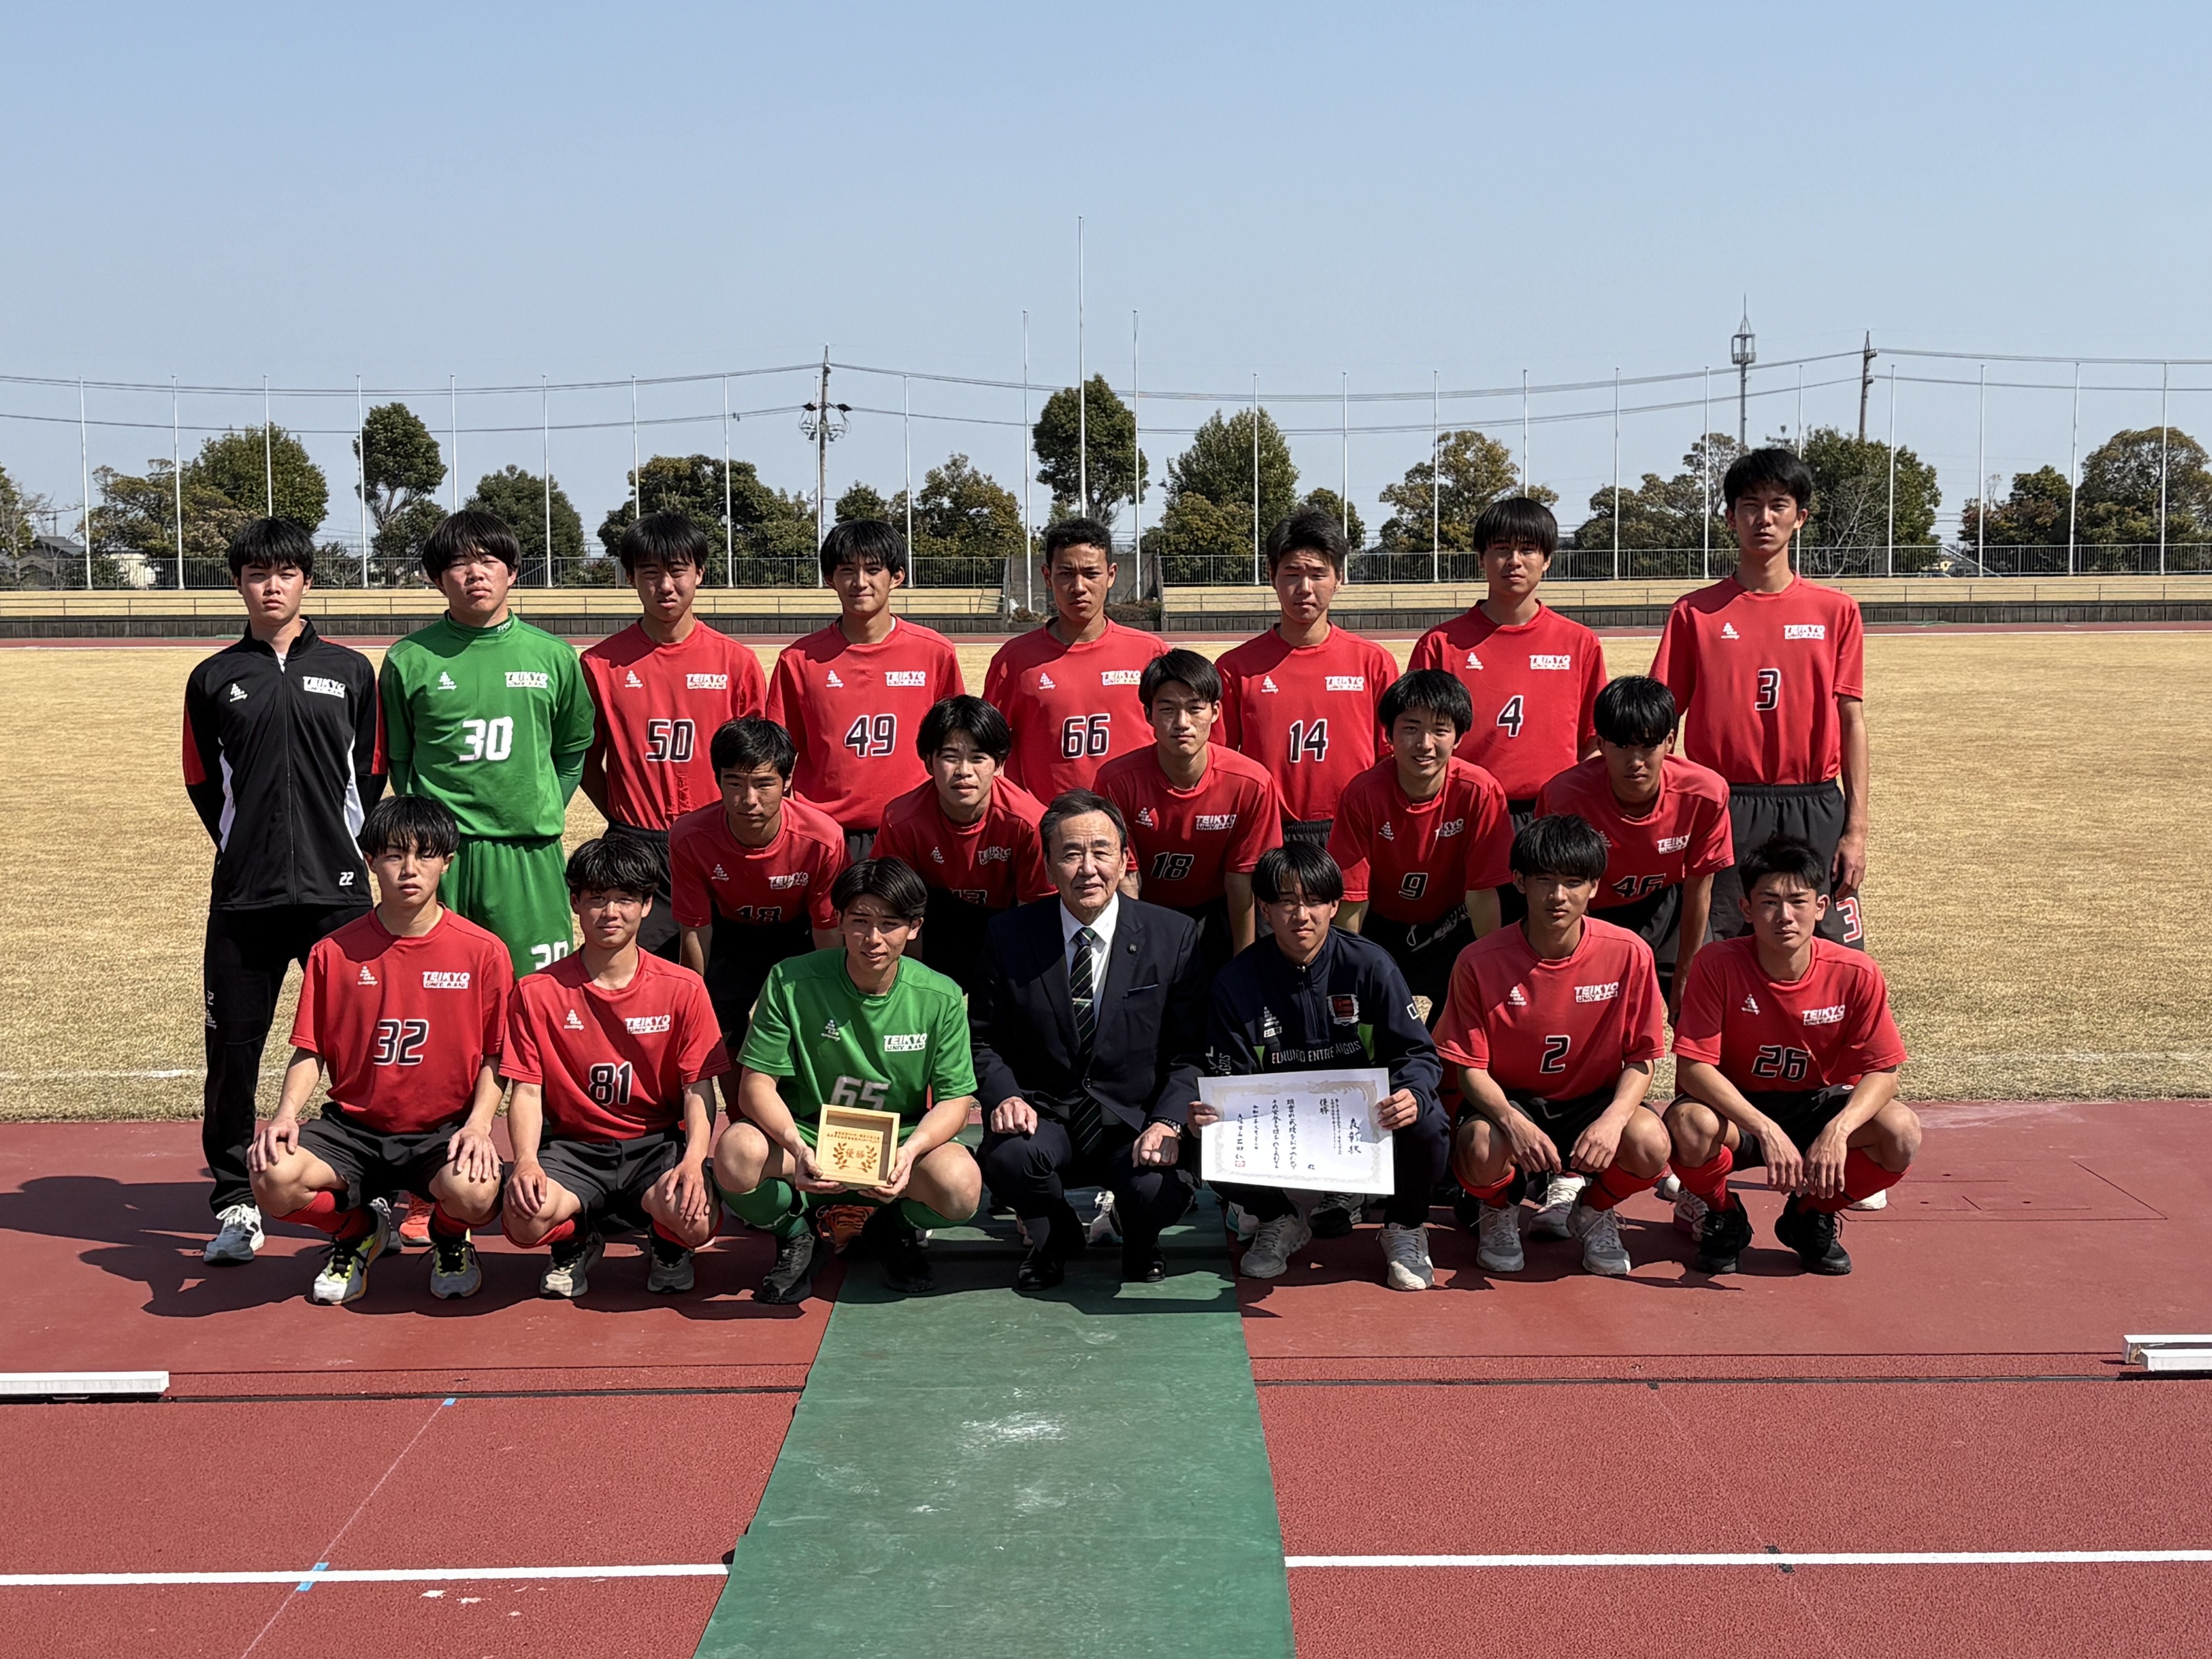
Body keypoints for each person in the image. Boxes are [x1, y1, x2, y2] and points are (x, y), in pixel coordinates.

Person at [185, 518, 383, 1267]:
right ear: (238, 583)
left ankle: (371, 1184)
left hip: (338, 892)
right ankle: (236, 1198)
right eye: (257, 574)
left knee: (361, 1046)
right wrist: (247, 846)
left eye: (286, 572)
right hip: (246, 895)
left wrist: (337, 846)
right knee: (233, 1051)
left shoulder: (352, 670)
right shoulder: (213, 678)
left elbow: (370, 772)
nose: (272, 586)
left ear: (307, 579)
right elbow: (203, 780)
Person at [246, 796, 511, 1304]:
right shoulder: (332, 952)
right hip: (355, 1129)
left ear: (447, 861)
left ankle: (449, 1238)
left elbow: (496, 1056)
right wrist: (284, 1116)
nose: (410, 869)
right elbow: (310, 1050)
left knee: (477, 1191)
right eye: (393, 855)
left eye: (425, 854)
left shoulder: (483, 952)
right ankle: (358, 1231)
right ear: (370, 861)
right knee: (271, 1175)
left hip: (441, 1132)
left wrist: (479, 1126)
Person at [713, 859, 984, 1304]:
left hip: (896, 1144)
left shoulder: (942, 996)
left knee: (962, 1185)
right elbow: (756, 1085)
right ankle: (796, 1233)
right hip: (810, 1138)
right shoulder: (791, 979)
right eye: (860, 921)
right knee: (735, 1151)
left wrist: (909, 1152)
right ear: (838, 921)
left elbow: (956, 1100)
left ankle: (890, 1229)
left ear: (915, 928)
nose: (873, 938)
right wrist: (798, 1147)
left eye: (890, 924)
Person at [970, 790, 1208, 1289]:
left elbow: (1189, 1051)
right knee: (1009, 1159)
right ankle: (1054, 1236)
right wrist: (1006, 1096)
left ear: (1124, 859)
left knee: (1159, 1189)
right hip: (1046, 1116)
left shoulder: (1174, 936)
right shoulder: (1008, 936)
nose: (1088, 869)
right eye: (1072, 854)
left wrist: (1167, 1121)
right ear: (1048, 864)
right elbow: (983, 1040)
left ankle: (1140, 1237)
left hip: (1134, 1120)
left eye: (1101, 852)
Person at [1194, 844, 1448, 1291]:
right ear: (1264, 909)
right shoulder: (1236, 982)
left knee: (1427, 1120)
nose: (1301, 916)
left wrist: (1411, 1092)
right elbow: (1227, 1081)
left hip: (1367, 1122)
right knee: (1205, 1138)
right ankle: (1278, 1218)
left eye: (1314, 901)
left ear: (1335, 905)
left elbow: (1418, 1054)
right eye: (1286, 902)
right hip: (1281, 1126)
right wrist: (1211, 1113)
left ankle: (1405, 1226)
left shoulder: (1370, 965)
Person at [1663, 836, 1917, 1276]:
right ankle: (1723, 1213)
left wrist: (1838, 1130)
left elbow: (1884, 1071)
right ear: (1746, 909)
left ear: (1821, 907)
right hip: (1739, 1110)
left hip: (1815, 1105)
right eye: (1769, 902)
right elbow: (1694, 1068)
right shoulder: (1716, 963)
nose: (1784, 916)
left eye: (1798, 901)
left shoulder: (1856, 972)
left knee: (1901, 1132)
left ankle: (1810, 1215)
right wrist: (1765, 1129)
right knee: (1688, 1124)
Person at [1650, 447, 1870, 949]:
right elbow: (1662, 723)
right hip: (1724, 800)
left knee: (1826, 948)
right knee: (1717, 946)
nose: (1763, 519)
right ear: (1730, 518)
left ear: (1800, 517)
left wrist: (1856, 829)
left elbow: (1852, 721)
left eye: (1778, 505)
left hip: (1814, 801)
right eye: (1750, 506)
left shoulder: (1836, 611)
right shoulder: (1694, 614)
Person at [1433, 814, 1670, 1278]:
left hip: (1593, 1102)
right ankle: (1498, 1210)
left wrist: (1612, 1121)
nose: (1558, 896)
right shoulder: (1479, 961)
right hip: (1512, 1103)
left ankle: (1594, 1209)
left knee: (1650, 1144)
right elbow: (1470, 1069)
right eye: (1544, 880)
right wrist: (1513, 1123)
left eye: (1573, 882)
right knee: (1479, 1148)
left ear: (1595, 887)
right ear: (1519, 881)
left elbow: (1643, 1059)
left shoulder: (1629, 953)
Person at [500, 836, 728, 1298]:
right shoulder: (536, 991)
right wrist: (525, 1162)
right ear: (575, 903)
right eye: (597, 898)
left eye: (625, 899)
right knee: (524, 1219)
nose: (610, 912)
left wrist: (692, 1161)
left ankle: (668, 1244)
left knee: (696, 1218)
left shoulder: (683, 987)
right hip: (575, 1148)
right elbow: (526, 1090)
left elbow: (698, 1089)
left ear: (647, 905)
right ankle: (577, 1239)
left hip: (655, 1144)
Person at [379, 508, 595, 980]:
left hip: (528, 853)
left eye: (489, 561)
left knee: (534, 990)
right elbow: (401, 758)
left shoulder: (554, 656)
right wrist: (429, 830)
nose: (475, 573)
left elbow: (571, 753)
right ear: (437, 578)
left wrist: (538, 804)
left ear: (512, 572)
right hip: (443, 855)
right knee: (439, 988)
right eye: (459, 563)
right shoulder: (408, 659)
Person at [579, 510, 767, 959]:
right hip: (636, 842)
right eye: (650, 572)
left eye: (678, 570)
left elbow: (761, 764)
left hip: (720, 841)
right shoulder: (599, 665)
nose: (665, 585)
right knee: (639, 972)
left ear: (700, 573)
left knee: (724, 975)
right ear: (630, 578)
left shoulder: (735, 663)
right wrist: (623, 818)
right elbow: (585, 761)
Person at [764, 518, 964, 864]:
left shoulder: (935, 653)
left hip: (915, 826)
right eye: (847, 570)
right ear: (830, 578)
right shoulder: (798, 661)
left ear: (897, 576)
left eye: (873, 570)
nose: (860, 582)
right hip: (827, 832)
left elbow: (956, 743)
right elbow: (778, 754)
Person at [1407, 496, 1605, 845]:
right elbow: (1414, 740)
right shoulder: (1440, 645)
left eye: (1528, 550)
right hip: (1465, 812)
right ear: (1481, 558)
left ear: (1547, 560)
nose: (1514, 561)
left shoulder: (1579, 643)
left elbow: (1593, 741)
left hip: (1554, 814)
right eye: (1501, 549)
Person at [1533, 675, 1733, 1012]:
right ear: (1601, 744)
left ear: (1670, 742)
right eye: (1623, 746)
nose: (1636, 761)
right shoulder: (1565, 797)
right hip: (1594, 911)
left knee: (1699, 1004)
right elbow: (1557, 886)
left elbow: (1700, 888)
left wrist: (1686, 975)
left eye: (1648, 746)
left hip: (1668, 907)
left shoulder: (1705, 794)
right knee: (1587, 1008)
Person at [1329, 670, 1513, 1024]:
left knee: (1465, 1015)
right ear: (1389, 735)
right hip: (1381, 926)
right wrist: (1348, 971)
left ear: (1459, 737)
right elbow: (1353, 900)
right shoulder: (1363, 794)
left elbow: (1482, 894)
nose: (1425, 744)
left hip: (1451, 924)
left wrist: (1490, 968)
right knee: (1370, 1017)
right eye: (1411, 728)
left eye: (1440, 730)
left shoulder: (1479, 791)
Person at [1213, 507, 1399, 847]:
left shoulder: (1373, 663)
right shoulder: (1235, 668)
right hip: (1269, 829)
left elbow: (1390, 757)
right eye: (1292, 574)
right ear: (1272, 575)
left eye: (1317, 574)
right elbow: (1219, 762)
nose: (1305, 588)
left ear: (1339, 578)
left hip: (1352, 826)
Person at [1097, 649, 1281, 979]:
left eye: (1195, 709)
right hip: (1148, 909)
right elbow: (1127, 880)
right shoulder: (1117, 781)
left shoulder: (1251, 783)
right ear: (1149, 715)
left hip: (1218, 909)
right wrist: (1133, 956)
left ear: (1215, 712)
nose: (1182, 723)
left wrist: (1244, 964)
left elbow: (1241, 882)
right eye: (1168, 709)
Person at [671, 717, 847, 1054]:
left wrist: (829, 996)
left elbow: (827, 930)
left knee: (810, 1030)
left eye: (764, 784)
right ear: (718, 779)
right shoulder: (690, 836)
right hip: (730, 937)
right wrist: (694, 1002)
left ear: (788, 780)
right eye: (735, 783)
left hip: (798, 937)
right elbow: (696, 929)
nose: (749, 799)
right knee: (715, 1034)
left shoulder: (823, 839)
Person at [871, 696, 1054, 996]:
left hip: (1005, 918)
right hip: (936, 919)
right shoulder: (901, 820)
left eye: (978, 758)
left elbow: (1034, 915)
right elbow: (899, 911)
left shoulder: (1029, 823)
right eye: (950, 757)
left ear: (999, 764)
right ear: (929, 762)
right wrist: (914, 987)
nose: (964, 771)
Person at [982, 518, 1166, 802]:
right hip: (1048, 819)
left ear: (1111, 575)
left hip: (1133, 816)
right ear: (1047, 576)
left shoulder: (1150, 653)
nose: (1079, 587)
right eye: (1066, 574)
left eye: (1091, 574)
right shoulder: (1014, 660)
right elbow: (986, 747)